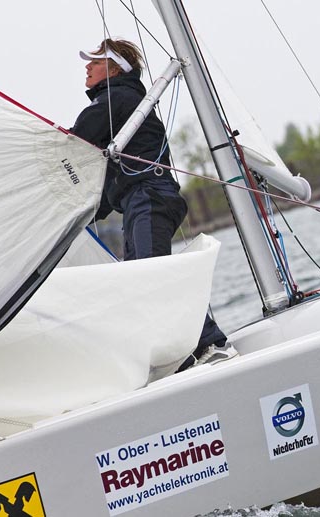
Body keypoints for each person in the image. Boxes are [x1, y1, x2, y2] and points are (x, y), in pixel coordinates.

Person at [71, 39, 235, 371]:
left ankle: (212, 344)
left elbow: (77, 140)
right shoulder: (118, 104)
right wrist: (87, 215)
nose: (86, 67)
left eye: (95, 62)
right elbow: (105, 178)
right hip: (141, 199)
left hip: (149, 196)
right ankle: (186, 354)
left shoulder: (115, 99)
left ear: (115, 69)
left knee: (150, 275)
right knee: (140, 280)